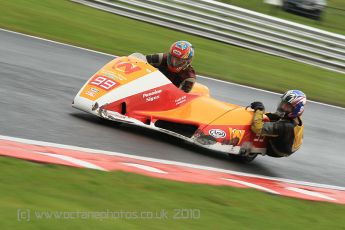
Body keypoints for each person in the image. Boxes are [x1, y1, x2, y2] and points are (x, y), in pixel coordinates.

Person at [250, 90, 306, 157]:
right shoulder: (295, 118)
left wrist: (259, 110)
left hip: (276, 150)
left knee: (255, 125)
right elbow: (274, 116)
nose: (283, 107)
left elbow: (257, 128)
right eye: (283, 103)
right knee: (270, 117)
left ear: (297, 109)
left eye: (288, 106)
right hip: (287, 144)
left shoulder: (285, 126)